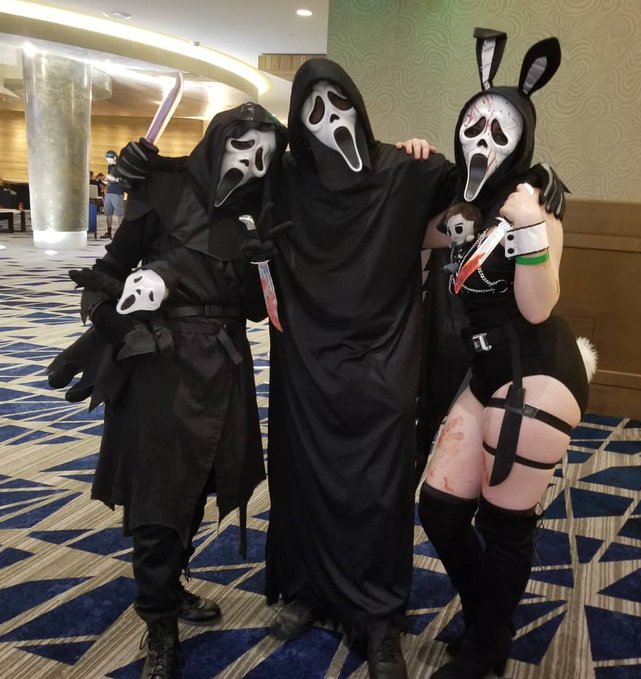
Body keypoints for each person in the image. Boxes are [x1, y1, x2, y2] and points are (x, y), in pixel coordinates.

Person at [262, 58, 567, 679]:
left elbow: (492, 203)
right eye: (314, 110)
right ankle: (317, 590)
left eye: (339, 103)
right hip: (338, 365)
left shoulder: (423, 177)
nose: (331, 119)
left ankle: (403, 622)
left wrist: (540, 198)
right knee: (357, 490)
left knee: (412, 498)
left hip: (457, 367)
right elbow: (223, 179)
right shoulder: (296, 179)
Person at [48, 103, 287, 679]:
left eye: (265, 156)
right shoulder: (164, 189)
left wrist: (262, 266)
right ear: (217, 141)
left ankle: (170, 587)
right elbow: (107, 272)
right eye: (242, 146)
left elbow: (258, 311)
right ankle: (158, 622)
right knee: (158, 497)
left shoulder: (259, 213)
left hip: (223, 366)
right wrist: (114, 325)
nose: (251, 164)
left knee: (200, 482)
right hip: (160, 364)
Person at [414, 30, 595, 679]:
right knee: (439, 509)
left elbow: (539, 306)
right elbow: (421, 237)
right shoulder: (468, 207)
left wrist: (529, 226)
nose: (482, 139)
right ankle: (489, 617)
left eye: (499, 130)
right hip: (487, 368)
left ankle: (487, 648)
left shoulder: (536, 204)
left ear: (522, 139)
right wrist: (412, 161)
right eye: (473, 126)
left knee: (504, 523)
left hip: (540, 371)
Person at [102, 150, 125, 238]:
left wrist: (114, 179)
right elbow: (110, 178)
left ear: (114, 158)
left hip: (118, 193)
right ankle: (109, 232)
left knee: (120, 214)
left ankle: (122, 234)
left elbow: (123, 180)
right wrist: (107, 181)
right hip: (109, 192)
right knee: (108, 213)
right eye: (107, 159)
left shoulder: (121, 167)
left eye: (109, 159)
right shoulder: (110, 166)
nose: (108, 161)